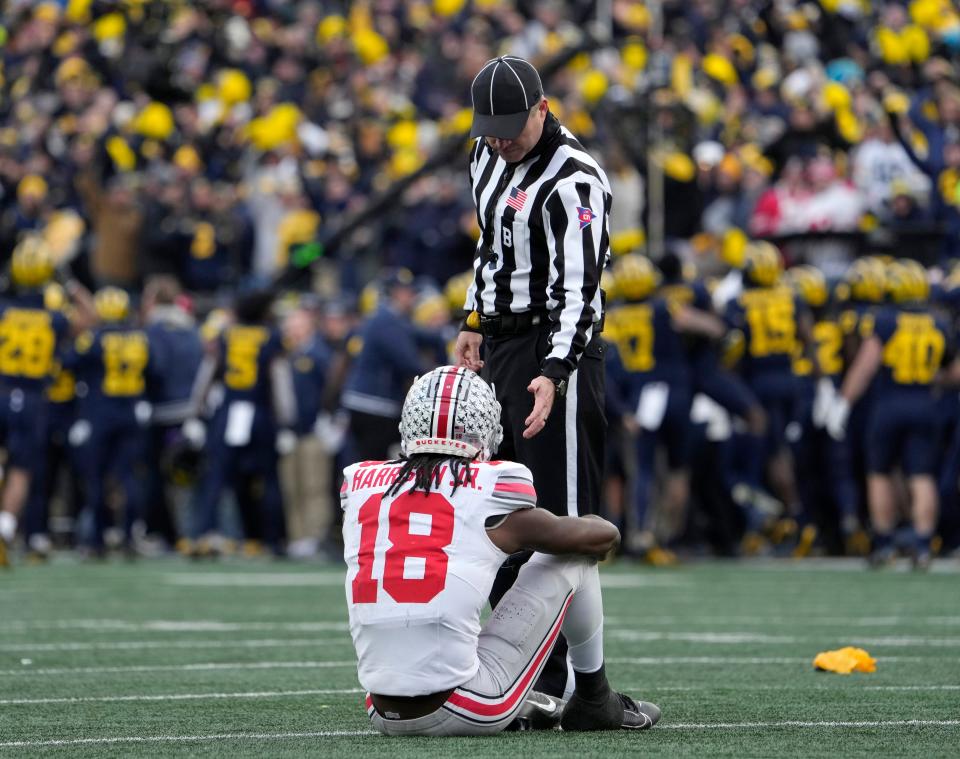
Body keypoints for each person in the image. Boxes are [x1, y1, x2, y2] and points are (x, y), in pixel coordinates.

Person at [342, 365, 660, 736]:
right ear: (485, 426)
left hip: (381, 709)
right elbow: (600, 539)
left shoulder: (361, 483)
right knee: (574, 557)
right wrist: (595, 521)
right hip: (462, 704)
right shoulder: (490, 484)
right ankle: (595, 700)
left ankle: (529, 703)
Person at [454, 55, 612, 697]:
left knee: (564, 524)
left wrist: (555, 370)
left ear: (542, 109)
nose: (499, 138)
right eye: (489, 126)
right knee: (497, 513)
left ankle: (588, 688)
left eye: (510, 127)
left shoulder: (576, 179)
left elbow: (581, 290)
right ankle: (532, 671)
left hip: (556, 348)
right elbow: (490, 245)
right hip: (500, 345)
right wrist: (473, 317)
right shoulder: (484, 155)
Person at [826, 260, 955, 569]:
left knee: (880, 473)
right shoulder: (939, 321)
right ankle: (923, 543)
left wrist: (843, 401)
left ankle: (884, 542)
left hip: (890, 404)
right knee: (921, 476)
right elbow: (953, 371)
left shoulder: (885, 320)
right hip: (926, 403)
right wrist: (927, 379)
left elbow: (866, 365)